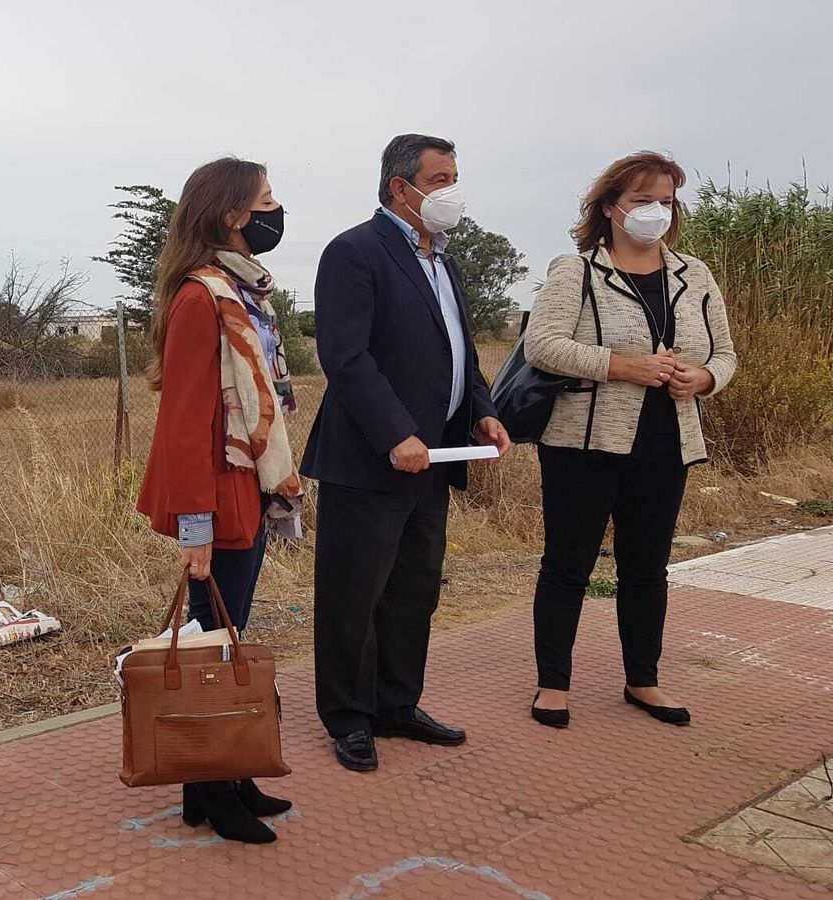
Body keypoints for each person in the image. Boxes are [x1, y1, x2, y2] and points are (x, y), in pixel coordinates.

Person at [302, 134, 511, 773]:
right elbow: (346, 356)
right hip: (371, 460)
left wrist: (482, 409)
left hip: (438, 458)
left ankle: (398, 704)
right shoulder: (355, 252)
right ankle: (349, 717)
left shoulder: (443, 261)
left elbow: (459, 352)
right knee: (354, 592)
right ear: (401, 186)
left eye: (454, 177)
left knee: (415, 589)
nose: (452, 191)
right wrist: (396, 431)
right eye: (440, 179)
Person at [523, 152, 737, 729]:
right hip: (583, 442)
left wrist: (707, 378)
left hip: (667, 442)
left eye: (665, 201)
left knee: (648, 568)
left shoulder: (696, 275)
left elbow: (724, 352)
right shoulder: (577, 272)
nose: (656, 212)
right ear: (611, 206)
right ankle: (553, 685)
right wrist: (622, 365)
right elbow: (542, 344)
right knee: (568, 564)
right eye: (643, 200)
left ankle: (644, 680)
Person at [136, 157, 306, 844]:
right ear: (233, 215)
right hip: (217, 492)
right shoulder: (200, 298)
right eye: (267, 200)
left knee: (223, 635)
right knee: (213, 642)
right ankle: (211, 783)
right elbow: (182, 423)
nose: (276, 211)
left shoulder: (243, 294)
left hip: (247, 486)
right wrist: (195, 526)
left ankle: (219, 782)